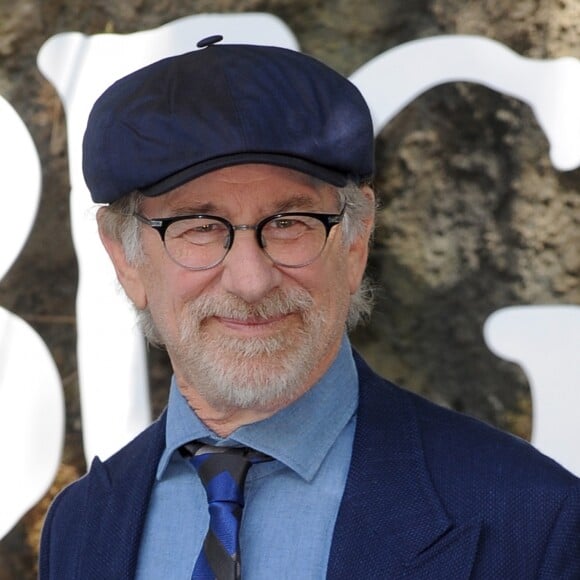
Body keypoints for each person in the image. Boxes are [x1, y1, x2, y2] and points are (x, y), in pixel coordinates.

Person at [39, 36, 580, 579]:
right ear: (125, 259)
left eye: (288, 223)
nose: (251, 281)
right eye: (199, 227)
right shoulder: (83, 524)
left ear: (355, 242)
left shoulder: (532, 519)